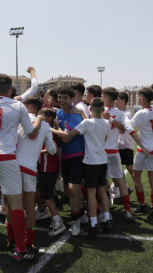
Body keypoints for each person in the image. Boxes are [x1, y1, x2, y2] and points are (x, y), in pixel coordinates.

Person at [0, 73, 43, 260]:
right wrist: (39, 120)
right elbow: (30, 133)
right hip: (5, 157)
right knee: (16, 203)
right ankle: (20, 249)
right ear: (11, 89)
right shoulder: (18, 105)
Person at [52, 97, 112, 239]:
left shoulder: (86, 123)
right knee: (102, 191)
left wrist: (53, 128)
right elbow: (98, 132)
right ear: (102, 109)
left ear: (90, 109)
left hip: (91, 161)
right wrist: (81, 114)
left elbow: (68, 135)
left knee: (91, 193)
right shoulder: (106, 123)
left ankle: (93, 224)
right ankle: (107, 220)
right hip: (103, 160)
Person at [11, 97, 57, 250]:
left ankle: (11, 239)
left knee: (11, 205)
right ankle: (28, 241)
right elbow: (52, 150)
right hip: (30, 168)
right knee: (30, 205)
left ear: (29, 106)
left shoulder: (17, 120)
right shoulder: (44, 126)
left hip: (12, 166)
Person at [125, 88, 153, 219]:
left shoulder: (140, 114)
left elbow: (129, 127)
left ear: (142, 98)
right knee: (152, 179)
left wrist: (123, 118)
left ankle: (143, 204)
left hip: (143, 150)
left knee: (136, 176)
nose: (138, 99)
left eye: (139, 97)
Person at [54, 85, 86, 236]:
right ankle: (80, 213)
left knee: (73, 189)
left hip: (76, 155)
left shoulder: (74, 114)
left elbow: (66, 138)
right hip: (65, 156)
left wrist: (53, 128)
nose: (61, 100)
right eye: (59, 97)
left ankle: (75, 221)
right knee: (72, 189)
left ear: (72, 99)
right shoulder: (59, 112)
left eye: (65, 97)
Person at [101, 87, 136, 221]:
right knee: (118, 182)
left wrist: (110, 119)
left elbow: (123, 130)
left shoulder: (104, 112)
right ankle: (122, 211)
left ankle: (115, 212)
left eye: (103, 96)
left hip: (104, 152)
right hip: (112, 151)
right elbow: (122, 130)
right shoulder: (119, 113)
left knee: (107, 183)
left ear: (107, 98)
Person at [38, 108, 66, 236]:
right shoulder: (48, 128)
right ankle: (55, 216)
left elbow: (52, 148)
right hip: (49, 165)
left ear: (49, 118)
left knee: (46, 195)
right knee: (47, 193)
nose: (39, 115)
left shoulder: (47, 129)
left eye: (42, 114)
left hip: (47, 165)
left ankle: (57, 221)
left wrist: (36, 151)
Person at [116, 92, 135, 195]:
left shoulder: (127, 113)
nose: (115, 101)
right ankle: (125, 187)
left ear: (123, 101)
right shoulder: (119, 113)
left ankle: (137, 184)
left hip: (126, 145)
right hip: (119, 145)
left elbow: (123, 129)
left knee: (130, 168)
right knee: (118, 167)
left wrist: (113, 126)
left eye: (117, 99)